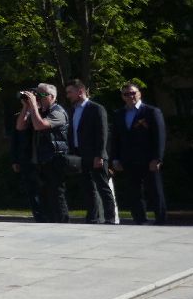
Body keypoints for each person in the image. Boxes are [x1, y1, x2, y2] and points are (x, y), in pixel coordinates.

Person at [111, 82, 167, 224]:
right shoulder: (119, 114)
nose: (130, 96)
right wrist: (115, 159)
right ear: (122, 97)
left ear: (139, 93)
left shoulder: (151, 112)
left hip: (149, 160)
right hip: (128, 160)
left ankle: (161, 220)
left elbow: (159, 136)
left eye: (133, 93)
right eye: (126, 94)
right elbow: (116, 138)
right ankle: (140, 220)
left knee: (155, 191)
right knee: (133, 193)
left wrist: (157, 158)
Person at [13, 84, 69, 222]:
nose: (38, 98)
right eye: (37, 94)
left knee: (57, 195)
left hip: (55, 160)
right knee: (44, 196)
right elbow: (20, 126)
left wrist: (32, 106)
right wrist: (26, 106)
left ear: (52, 97)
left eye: (41, 95)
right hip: (41, 161)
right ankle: (48, 224)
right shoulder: (39, 111)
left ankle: (63, 224)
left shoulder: (58, 112)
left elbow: (39, 125)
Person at [65, 79, 117, 224]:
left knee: (103, 187)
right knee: (88, 188)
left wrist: (99, 155)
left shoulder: (96, 108)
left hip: (95, 155)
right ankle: (93, 218)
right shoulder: (73, 110)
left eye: (70, 92)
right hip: (80, 155)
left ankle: (110, 218)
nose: (68, 95)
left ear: (80, 92)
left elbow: (102, 134)